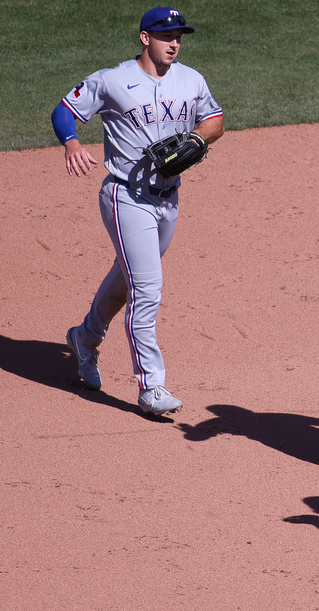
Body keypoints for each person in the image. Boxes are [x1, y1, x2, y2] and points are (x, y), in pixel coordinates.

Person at [55, 7, 224, 416]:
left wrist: (200, 140)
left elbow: (215, 119)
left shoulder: (191, 78)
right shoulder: (112, 80)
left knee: (128, 279)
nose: (175, 42)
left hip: (168, 200)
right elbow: (65, 109)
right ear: (145, 38)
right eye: (167, 35)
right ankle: (151, 386)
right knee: (147, 289)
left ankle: (85, 337)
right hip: (126, 196)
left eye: (180, 35)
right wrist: (73, 143)